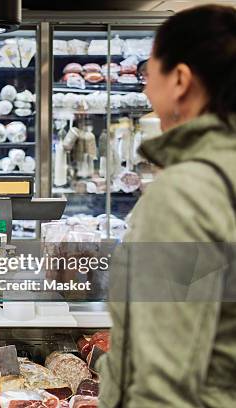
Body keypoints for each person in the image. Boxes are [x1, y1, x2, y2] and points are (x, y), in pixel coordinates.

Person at [99, 5, 236, 408]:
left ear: (179, 79)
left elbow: (162, 383)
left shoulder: (187, 194)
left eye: (148, 73)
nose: (144, 89)